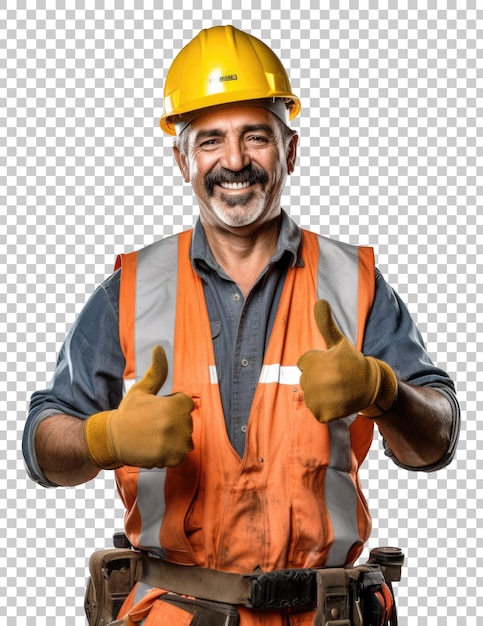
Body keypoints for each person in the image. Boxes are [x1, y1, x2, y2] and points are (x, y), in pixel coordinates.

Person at [23, 25, 459, 626]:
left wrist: (384, 391)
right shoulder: (131, 288)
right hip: (174, 613)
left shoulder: (353, 283)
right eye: (210, 141)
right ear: (182, 159)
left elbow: (437, 443)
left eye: (256, 136)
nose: (234, 161)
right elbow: (42, 449)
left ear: (291, 151)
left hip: (325, 615)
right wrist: (105, 439)